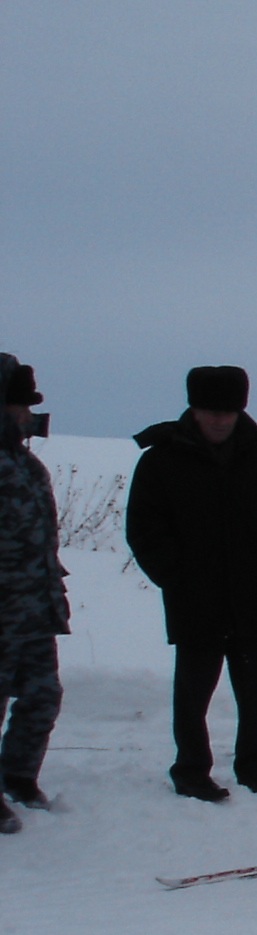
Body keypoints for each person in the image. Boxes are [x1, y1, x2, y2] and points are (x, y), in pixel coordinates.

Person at [125, 366, 257, 802]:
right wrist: (175, 577)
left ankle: (254, 767)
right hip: (194, 599)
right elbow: (144, 529)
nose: (221, 420)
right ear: (193, 408)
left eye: (229, 411)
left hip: (254, 598)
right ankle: (191, 770)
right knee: (192, 693)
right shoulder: (161, 457)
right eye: (211, 411)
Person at [0, 352, 66, 832]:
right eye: (21, 406)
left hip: (35, 606)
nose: (29, 415)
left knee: (43, 695)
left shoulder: (27, 464)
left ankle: (19, 775)